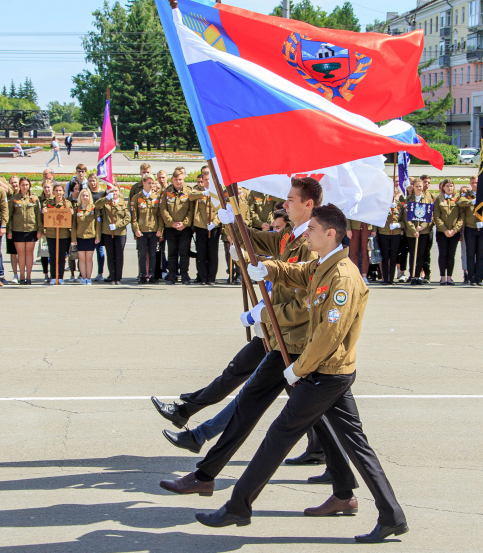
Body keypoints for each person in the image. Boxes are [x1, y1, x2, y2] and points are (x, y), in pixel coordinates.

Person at [196, 204, 408, 543]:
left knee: (278, 436)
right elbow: (299, 273)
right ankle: (391, 515)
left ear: (330, 234)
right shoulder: (325, 265)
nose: (305, 233)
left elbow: (328, 335)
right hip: (331, 372)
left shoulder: (342, 278)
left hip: (325, 374)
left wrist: (297, 369)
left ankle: (238, 506)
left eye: (312, 228)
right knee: (357, 446)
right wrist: (267, 268)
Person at [156, 178, 358, 509]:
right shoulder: (291, 236)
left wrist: (263, 313)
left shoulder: (312, 242)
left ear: (309, 205)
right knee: (312, 416)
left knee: (252, 406)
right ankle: (345, 492)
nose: (286, 203)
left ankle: (205, 475)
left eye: (291, 199)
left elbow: (303, 296)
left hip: (293, 341)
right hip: (282, 338)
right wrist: (229, 218)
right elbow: (253, 240)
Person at [188, 169, 221, 285]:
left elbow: (221, 210)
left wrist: (215, 223)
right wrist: (203, 193)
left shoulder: (217, 192)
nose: (207, 182)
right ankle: (203, 277)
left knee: (212, 253)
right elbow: (190, 196)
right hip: (201, 226)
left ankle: (211, 277)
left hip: (213, 227)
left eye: (209, 180)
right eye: (205, 180)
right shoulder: (198, 191)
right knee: (201, 253)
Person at [160, 168, 193, 284]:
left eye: (180, 179)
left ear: (183, 179)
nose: (178, 182)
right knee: (172, 253)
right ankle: (172, 275)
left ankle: (185, 275)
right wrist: (171, 222)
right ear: (172, 180)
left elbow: (192, 210)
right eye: (176, 180)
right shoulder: (167, 192)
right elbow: (163, 209)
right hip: (171, 228)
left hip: (185, 228)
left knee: (184, 253)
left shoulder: (189, 191)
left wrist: (184, 223)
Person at [131, 174, 162, 284]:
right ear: (143, 183)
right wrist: (136, 229)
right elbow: (134, 216)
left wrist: (159, 229)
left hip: (153, 230)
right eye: (149, 183)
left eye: (152, 183)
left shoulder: (156, 197)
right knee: (143, 254)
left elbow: (159, 216)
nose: (151, 185)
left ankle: (152, 275)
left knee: (153, 254)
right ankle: (143, 275)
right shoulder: (137, 198)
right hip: (142, 231)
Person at [39, 183, 74, 285]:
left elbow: (72, 220)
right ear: (53, 192)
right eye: (56, 191)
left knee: (62, 256)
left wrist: (71, 214)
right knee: (53, 256)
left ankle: (61, 276)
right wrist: (44, 212)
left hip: (63, 234)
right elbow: (43, 219)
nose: (58, 193)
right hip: (51, 233)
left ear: (63, 192)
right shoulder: (48, 203)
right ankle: (53, 276)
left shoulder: (67, 203)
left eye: (60, 191)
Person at [8, 176, 39, 285]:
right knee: (20, 254)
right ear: (19, 186)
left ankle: (29, 277)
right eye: (23, 185)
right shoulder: (14, 198)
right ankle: (22, 276)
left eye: (26, 185)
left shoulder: (34, 198)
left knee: (29, 253)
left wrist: (40, 229)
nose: (25, 187)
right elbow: (10, 216)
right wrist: (9, 230)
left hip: (31, 229)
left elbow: (38, 215)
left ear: (29, 185)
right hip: (18, 229)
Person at [98, 183, 130, 284]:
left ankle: (118, 278)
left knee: (119, 255)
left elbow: (128, 218)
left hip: (120, 232)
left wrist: (117, 225)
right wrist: (106, 199)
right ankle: (112, 277)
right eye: (112, 191)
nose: (114, 193)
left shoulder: (123, 203)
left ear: (119, 192)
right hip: (108, 232)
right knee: (110, 255)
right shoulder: (106, 203)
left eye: (116, 191)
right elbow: (96, 206)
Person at [457, 176, 483, 286]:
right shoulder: (468, 194)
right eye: (473, 183)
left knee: (480, 253)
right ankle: (471, 276)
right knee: (470, 253)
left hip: (482, 227)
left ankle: (479, 276)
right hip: (470, 227)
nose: (475, 184)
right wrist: (473, 201)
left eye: (477, 183)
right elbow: (460, 202)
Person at [432, 178, 462, 285]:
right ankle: (442, 277)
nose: (450, 188)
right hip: (442, 232)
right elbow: (436, 216)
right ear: (443, 187)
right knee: (443, 254)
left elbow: (461, 216)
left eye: (451, 186)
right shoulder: (438, 199)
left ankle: (449, 277)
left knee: (451, 254)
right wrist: (445, 230)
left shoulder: (458, 200)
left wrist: (454, 230)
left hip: (454, 232)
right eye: (447, 186)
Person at [404, 177, 432, 285]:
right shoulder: (409, 200)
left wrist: (422, 227)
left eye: (420, 186)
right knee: (413, 254)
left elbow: (430, 216)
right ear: (413, 187)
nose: (419, 188)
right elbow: (407, 217)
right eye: (417, 186)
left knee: (421, 254)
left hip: (423, 231)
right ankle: (412, 275)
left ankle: (419, 275)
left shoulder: (426, 199)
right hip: (412, 232)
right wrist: (413, 229)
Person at [375, 190, 403, 285]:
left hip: (395, 233)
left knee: (393, 257)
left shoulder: (399, 204)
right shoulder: (382, 203)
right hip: (384, 232)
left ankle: (391, 278)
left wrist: (398, 225)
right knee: (385, 257)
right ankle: (385, 278)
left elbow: (403, 220)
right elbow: (376, 218)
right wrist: (375, 230)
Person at [72, 188, 97, 284]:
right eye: (83, 195)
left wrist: (97, 236)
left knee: (89, 258)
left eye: (87, 195)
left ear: (89, 197)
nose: (85, 197)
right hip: (80, 236)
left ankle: (89, 278)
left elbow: (97, 224)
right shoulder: (76, 208)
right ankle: (83, 277)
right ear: (80, 197)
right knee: (82, 258)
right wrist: (73, 238)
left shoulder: (93, 208)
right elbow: (73, 225)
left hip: (91, 236)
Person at [85, 172, 107, 283]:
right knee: (86, 251)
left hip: (99, 225)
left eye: (94, 180)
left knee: (99, 249)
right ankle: (83, 273)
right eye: (90, 181)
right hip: (87, 226)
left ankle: (100, 273)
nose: (92, 183)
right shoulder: (86, 193)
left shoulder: (102, 193)